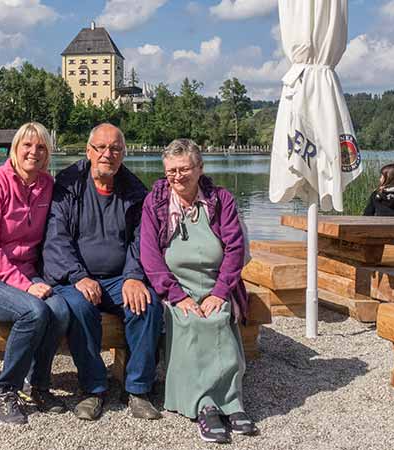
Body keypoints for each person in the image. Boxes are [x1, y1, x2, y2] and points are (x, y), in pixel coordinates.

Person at [42, 123, 164, 421]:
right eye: (100, 147)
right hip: (74, 276)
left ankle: (137, 389)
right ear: (89, 151)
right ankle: (93, 389)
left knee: (147, 305)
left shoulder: (135, 191)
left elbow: (142, 240)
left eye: (115, 148)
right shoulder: (68, 183)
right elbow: (57, 238)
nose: (107, 154)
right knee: (80, 307)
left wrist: (134, 275)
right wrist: (78, 276)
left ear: (123, 153)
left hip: (120, 277)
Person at [140, 139, 258, 444]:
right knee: (190, 320)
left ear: (200, 168)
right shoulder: (155, 203)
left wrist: (220, 292)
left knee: (218, 316)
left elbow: (234, 248)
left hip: (217, 283)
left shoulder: (221, 200)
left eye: (184, 169)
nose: (177, 177)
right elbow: (150, 256)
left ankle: (232, 402)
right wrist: (177, 296)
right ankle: (204, 404)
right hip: (175, 287)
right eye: (171, 171)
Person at [0, 122, 70, 424]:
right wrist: (24, 285)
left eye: (41, 147)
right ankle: (5, 390)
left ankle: (39, 385)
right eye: (27, 145)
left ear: (48, 153)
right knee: (33, 312)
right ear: (15, 149)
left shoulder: (47, 185)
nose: (34, 152)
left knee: (59, 309)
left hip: (23, 273)